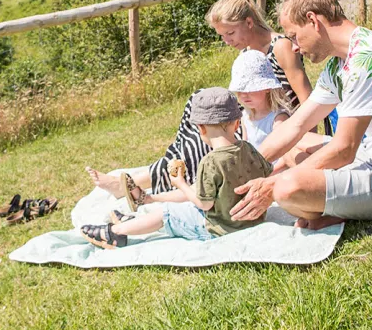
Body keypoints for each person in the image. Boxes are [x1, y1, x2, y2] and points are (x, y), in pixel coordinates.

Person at [85, 0, 311, 199]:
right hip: (252, 116)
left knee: (205, 138)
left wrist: (302, 148)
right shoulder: (246, 52)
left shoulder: (280, 46)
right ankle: (168, 170)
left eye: (230, 33)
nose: (227, 41)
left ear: (249, 23)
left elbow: (307, 101)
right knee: (199, 102)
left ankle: (138, 181)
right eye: (222, 35)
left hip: (275, 125)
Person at [229, 0, 372, 230]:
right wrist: (245, 168)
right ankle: (341, 206)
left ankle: (341, 206)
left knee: (287, 189)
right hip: (369, 152)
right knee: (290, 148)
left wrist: (272, 184)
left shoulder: (367, 60)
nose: (293, 47)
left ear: (312, 20)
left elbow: (345, 149)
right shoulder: (339, 64)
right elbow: (296, 125)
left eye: (294, 36)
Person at [80, 88, 273, 249]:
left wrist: (180, 183)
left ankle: (115, 233)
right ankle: (133, 221)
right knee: (182, 206)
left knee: (168, 214)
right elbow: (267, 173)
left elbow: (204, 204)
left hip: (220, 227)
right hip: (251, 220)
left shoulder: (210, 162)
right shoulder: (248, 149)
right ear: (237, 123)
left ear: (201, 129)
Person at [119, 49, 291, 210]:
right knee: (204, 183)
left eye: (251, 89)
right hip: (247, 168)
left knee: (208, 189)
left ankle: (153, 198)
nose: (244, 95)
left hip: (264, 173)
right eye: (240, 90)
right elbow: (244, 144)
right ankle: (149, 199)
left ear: (267, 87)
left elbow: (285, 157)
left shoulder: (278, 118)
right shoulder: (246, 114)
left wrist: (261, 176)